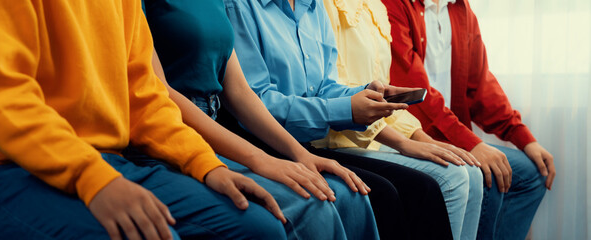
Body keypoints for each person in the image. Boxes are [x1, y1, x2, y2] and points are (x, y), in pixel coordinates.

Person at [0, 1, 318, 239]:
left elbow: (142, 94)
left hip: (108, 162)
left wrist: (207, 166)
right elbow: (0, 95)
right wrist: (92, 179)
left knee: (259, 229)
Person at [127, 0, 380, 239]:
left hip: (212, 128)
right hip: (171, 133)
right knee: (310, 205)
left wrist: (302, 156)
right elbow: (158, 94)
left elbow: (239, 92)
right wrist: (261, 159)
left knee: (349, 196)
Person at [225, 0, 454, 239]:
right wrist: (346, 109)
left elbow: (323, 85)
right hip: (261, 140)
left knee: (421, 189)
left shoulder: (313, 6)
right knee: (385, 194)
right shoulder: (240, 6)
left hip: (306, 144)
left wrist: (364, 93)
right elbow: (256, 101)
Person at [382, 0, 555, 239]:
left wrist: (524, 138)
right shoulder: (393, 5)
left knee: (533, 174)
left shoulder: (460, 8)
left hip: (452, 135)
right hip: (411, 137)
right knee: (489, 177)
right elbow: (413, 93)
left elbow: (481, 86)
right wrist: (472, 144)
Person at [315, 0, 484, 239]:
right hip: (339, 140)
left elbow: (384, 97)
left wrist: (426, 140)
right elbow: (343, 97)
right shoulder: (325, 6)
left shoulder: (377, 7)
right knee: (453, 178)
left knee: (470, 170)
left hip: (375, 137)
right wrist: (405, 144)